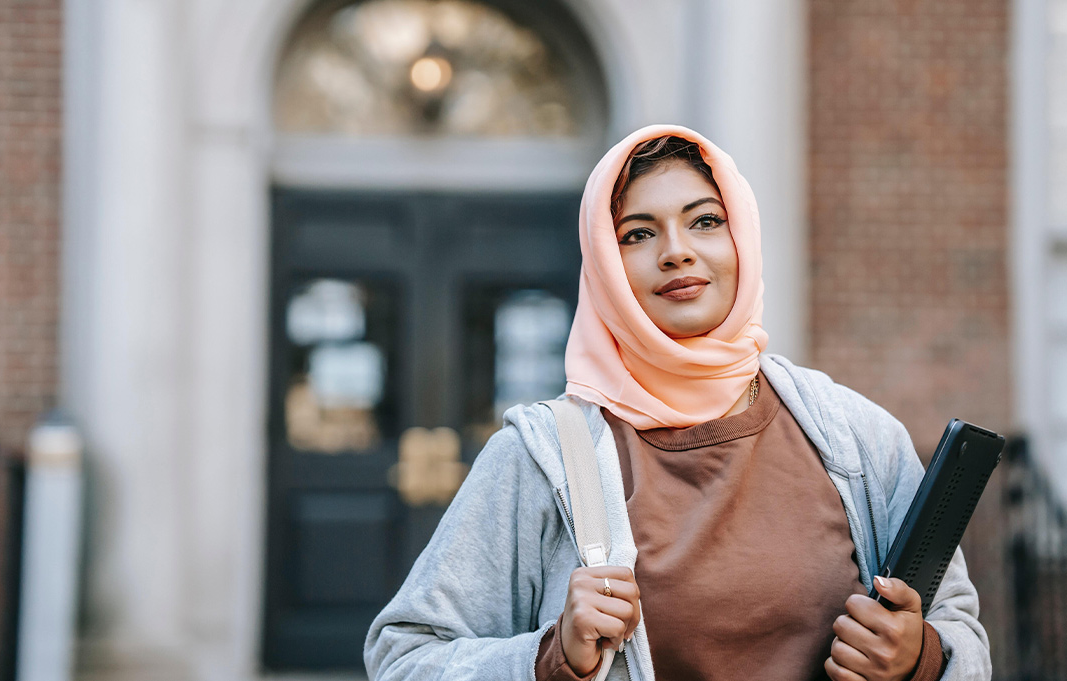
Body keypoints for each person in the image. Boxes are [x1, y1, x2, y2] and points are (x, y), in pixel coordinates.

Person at [363, 125, 991, 681]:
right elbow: (405, 658)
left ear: (740, 237)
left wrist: (922, 659)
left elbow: (960, 631)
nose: (676, 250)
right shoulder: (541, 458)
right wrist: (548, 659)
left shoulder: (855, 437)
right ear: (606, 266)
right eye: (638, 233)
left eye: (705, 220)